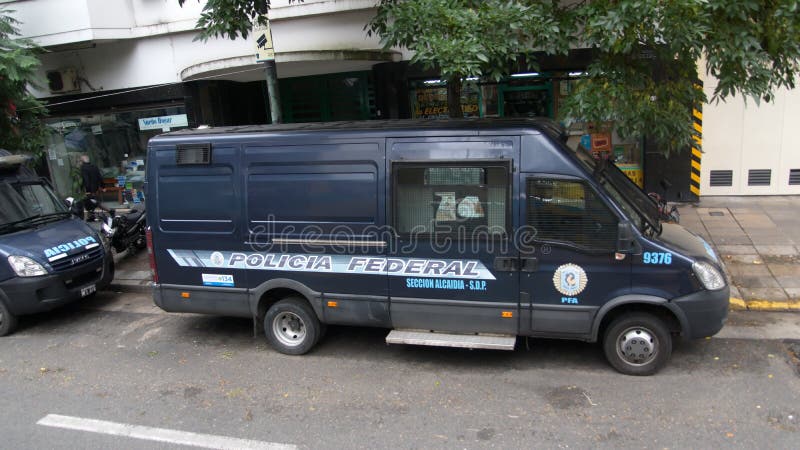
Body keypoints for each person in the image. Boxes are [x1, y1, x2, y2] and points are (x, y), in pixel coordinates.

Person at [79, 154, 108, 219]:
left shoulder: (83, 168)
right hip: (95, 188)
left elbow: (86, 180)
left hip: (89, 189)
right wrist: (103, 186)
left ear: (82, 161)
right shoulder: (94, 166)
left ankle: (93, 215)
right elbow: (99, 177)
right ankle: (92, 215)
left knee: (90, 203)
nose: (79, 162)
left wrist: (87, 190)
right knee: (93, 202)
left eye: (80, 161)